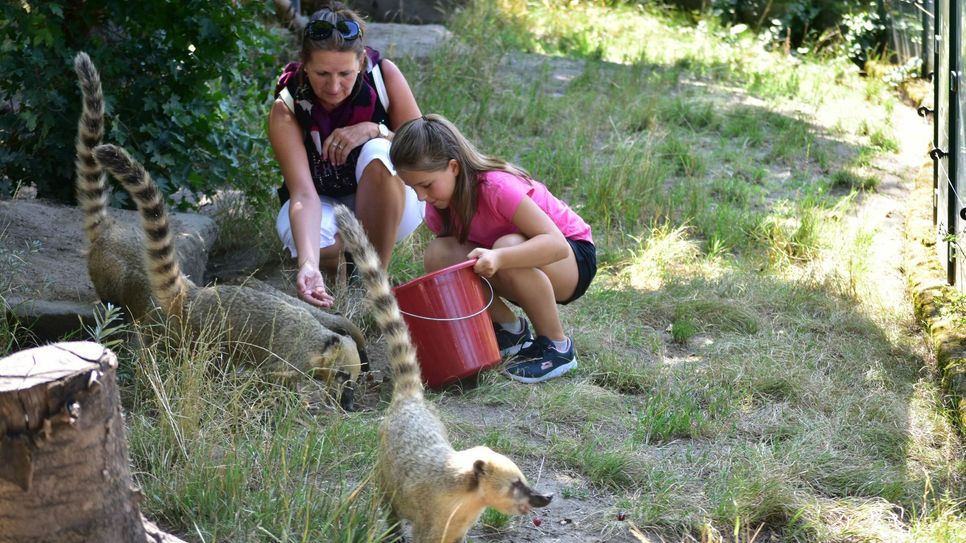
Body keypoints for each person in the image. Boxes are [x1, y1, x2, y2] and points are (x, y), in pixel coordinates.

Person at [389, 114, 597, 384]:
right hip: (516, 260)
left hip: (572, 259)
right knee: (439, 253)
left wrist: (500, 257)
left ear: (453, 167)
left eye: (426, 185)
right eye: (412, 188)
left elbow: (556, 245)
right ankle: (509, 330)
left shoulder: (497, 187)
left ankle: (557, 347)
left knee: (507, 245)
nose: (420, 196)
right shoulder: (437, 207)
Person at [269, 2, 425, 308]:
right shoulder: (286, 105)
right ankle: (329, 272)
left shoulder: (384, 75)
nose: (334, 86)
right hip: (322, 200)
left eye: (345, 73)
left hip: (391, 201)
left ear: (362, 61)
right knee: (316, 247)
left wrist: (373, 130)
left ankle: (374, 282)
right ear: (304, 64)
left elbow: (424, 148)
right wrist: (308, 263)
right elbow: (302, 193)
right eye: (322, 73)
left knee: (379, 152)